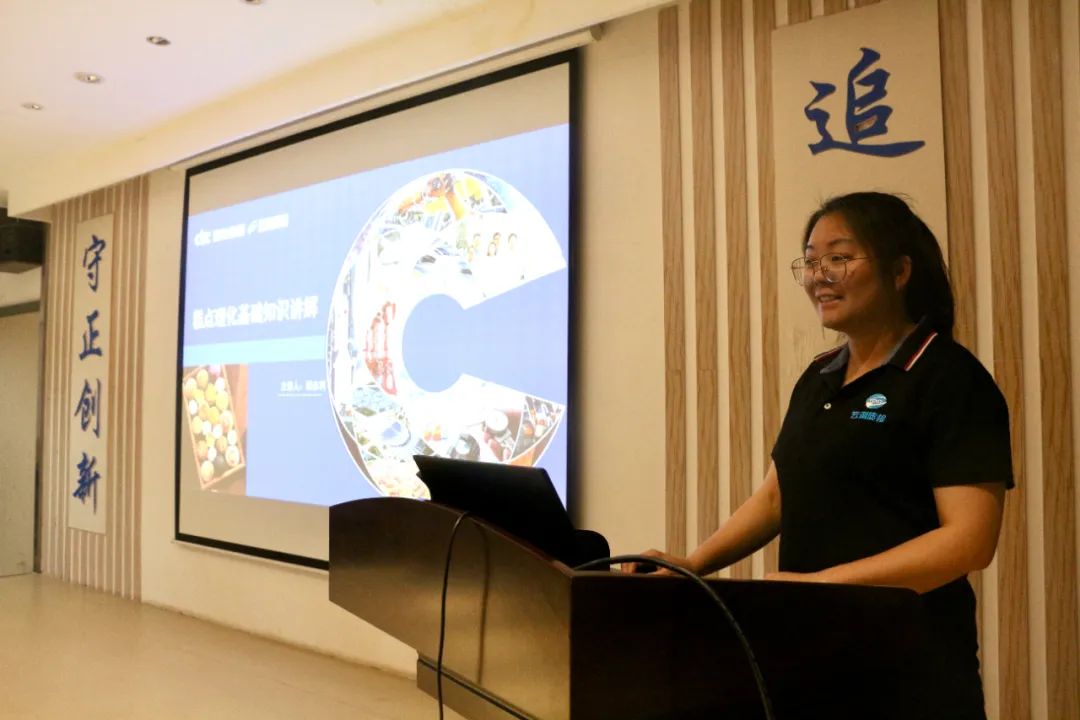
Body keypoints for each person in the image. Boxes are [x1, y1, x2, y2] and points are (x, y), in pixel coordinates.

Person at [631, 192, 1012, 719]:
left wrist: (820, 588)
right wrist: (693, 565)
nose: (819, 276)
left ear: (900, 271)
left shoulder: (950, 378)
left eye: (839, 257)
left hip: (910, 672)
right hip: (808, 659)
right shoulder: (819, 376)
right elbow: (775, 497)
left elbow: (969, 541)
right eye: (811, 261)